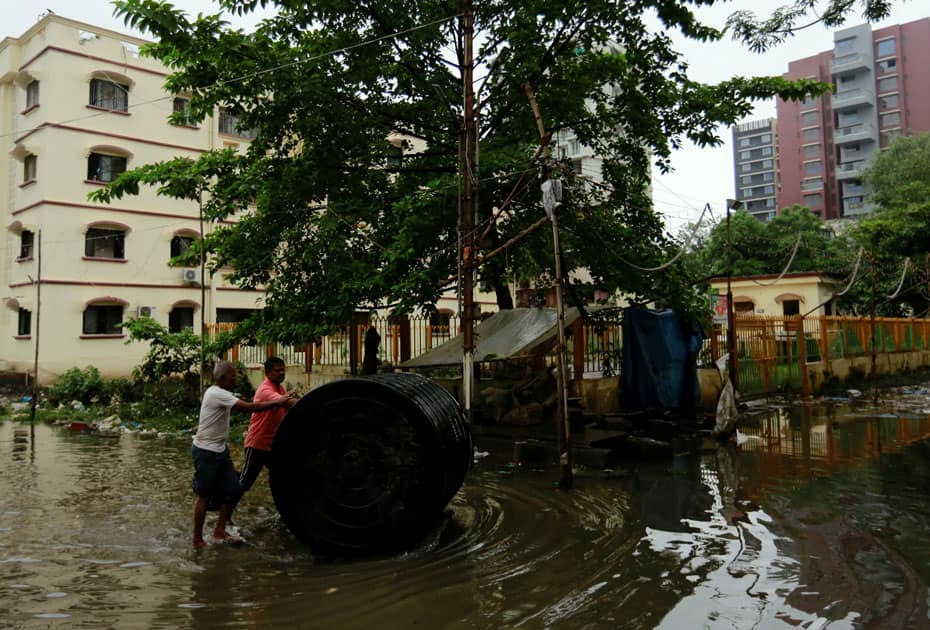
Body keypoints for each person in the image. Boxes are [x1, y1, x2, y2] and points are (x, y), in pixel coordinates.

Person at [191, 360, 292, 548]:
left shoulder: (224, 393)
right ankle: (197, 540)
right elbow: (248, 407)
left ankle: (219, 531)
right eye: (233, 376)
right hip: (205, 451)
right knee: (204, 496)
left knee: (232, 489)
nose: (235, 378)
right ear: (222, 378)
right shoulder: (216, 393)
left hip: (220, 450)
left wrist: (281, 401)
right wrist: (278, 402)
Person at [232, 356, 297, 520]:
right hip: (257, 445)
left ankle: (287, 514)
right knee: (244, 482)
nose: (281, 373)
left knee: (285, 477)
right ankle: (225, 516)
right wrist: (310, 402)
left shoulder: (280, 389)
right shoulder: (266, 390)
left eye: (283, 369)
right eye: (277, 370)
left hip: (272, 447)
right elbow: (286, 404)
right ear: (267, 372)